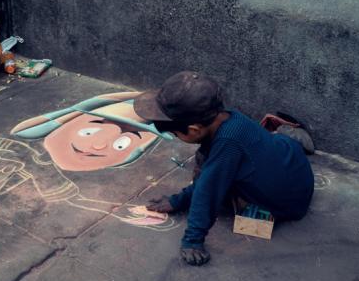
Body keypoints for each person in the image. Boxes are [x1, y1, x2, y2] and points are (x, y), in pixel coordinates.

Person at [133, 71, 315, 266]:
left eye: (176, 134)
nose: (177, 137)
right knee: (256, 147)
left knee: (214, 171)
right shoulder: (230, 117)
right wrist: (179, 201)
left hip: (289, 203)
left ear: (194, 130)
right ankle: (292, 136)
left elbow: (208, 191)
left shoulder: (227, 145)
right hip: (295, 165)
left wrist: (192, 240)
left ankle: (292, 136)